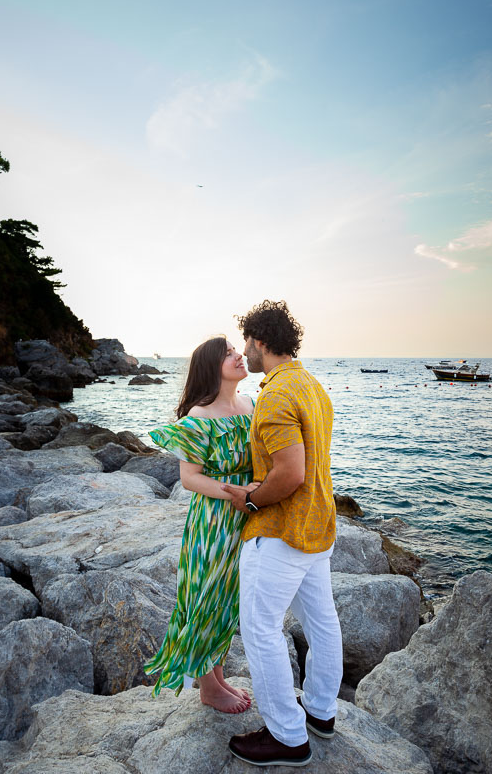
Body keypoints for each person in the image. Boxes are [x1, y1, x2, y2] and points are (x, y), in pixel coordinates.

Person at [222, 300, 343, 766]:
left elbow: (290, 473)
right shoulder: (311, 386)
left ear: (261, 341)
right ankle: (321, 712)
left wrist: (250, 498)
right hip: (317, 528)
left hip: (281, 532)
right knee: (322, 623)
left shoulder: (274, 396)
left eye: (248, 343)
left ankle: (287, 738)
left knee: (260, 629)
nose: (246, 353)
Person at [143, 336, 255, 714]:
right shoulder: (200, 416)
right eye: (229, 354)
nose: (240, 355)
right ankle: (208, 687)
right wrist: (236, 492)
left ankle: (218, 676)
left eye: (237, 350)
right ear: (211, 366)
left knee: (227, 599)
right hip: (214, 520)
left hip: (247, 517)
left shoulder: (249, 404)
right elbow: (190, 478)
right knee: (205, 595)